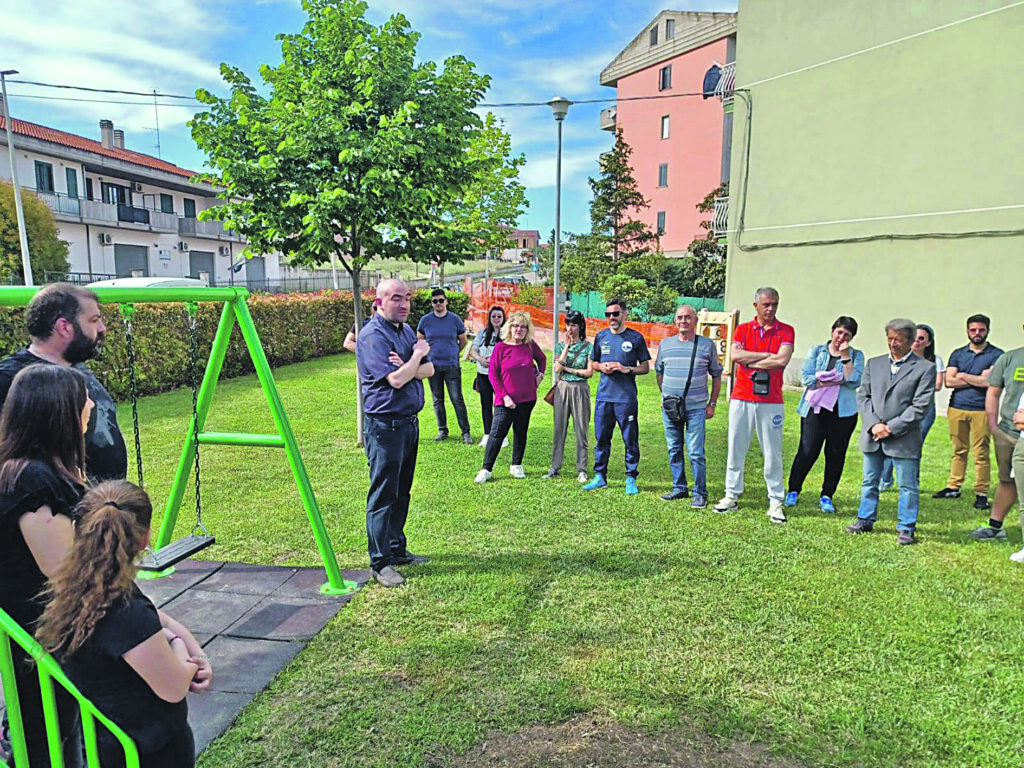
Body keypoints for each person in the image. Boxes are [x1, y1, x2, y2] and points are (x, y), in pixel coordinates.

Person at [36, 481, 212, 768]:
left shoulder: (81, 591)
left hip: (103, 743)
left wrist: (195, 652)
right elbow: (173, 686)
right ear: (145, 539)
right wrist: (181, 648)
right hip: (148, 750)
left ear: (76, 531)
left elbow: (158, 617)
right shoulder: (126, 613)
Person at [0, 365, 92, 768]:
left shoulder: (41, 471)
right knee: (48, 737)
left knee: (59, 730)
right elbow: (67, 578)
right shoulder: (33, 481)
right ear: (59, 413)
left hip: (46, 636)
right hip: (41, 639)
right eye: (83, 398)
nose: (90, 405)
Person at [0, 283, 127, 483]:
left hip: (100, 505)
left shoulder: (75, 366)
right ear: (64, 327)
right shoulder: (11, 379)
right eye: (94, 320)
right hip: (57, 508)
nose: (102, 328)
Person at [357, 279, 434, 588]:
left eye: (407, 299)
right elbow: (398, 381)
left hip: (408, 424)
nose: (403, 304)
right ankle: (380, 563)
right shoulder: (373, 336)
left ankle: (396, 549)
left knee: (402, 492)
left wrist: (409, 364)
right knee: (383, 495)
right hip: (385, 427)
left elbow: (429, 371)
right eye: (396, 298)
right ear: (379, 302)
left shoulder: (403, 331)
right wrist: (416, 356)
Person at [846, 318, 935, 545]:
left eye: (898, 339)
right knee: (869, 480)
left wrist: (892, 428)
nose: (893, 344)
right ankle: (865, 519)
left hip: (904, 437)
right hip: (873, 434)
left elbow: (920, 406)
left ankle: (906, 527)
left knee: (907, 485)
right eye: (890, 339)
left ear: (911, 341)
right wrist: (873, 423)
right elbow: (863, 396)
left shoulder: (925, 368)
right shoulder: (874, 364)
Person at [715, 287, 795, 522]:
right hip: (741, 397)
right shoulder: (743, 329)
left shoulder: (786, 330)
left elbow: (782, 360)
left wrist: (752, 358)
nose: (771, 309)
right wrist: (766, 355)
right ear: (756, 306)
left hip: (771, 401)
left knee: (773, 453)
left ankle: (775, 501)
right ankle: (731, 495)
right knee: (736, 448)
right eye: (766, 305)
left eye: (774, 304)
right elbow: (735, 357)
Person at [784, 316, 864, 515]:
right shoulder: (817, 351)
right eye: (839, 332)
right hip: (816, 409)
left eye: (847, 335)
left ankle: (827, 495)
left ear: (852, 337)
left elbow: (853, 380)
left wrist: (845, 359)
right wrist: (833, 380)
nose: (841, 338)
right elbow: (807, 379)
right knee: (807, 450)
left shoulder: (856, 356)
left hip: (843, 413)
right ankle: (793, 489)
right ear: (832, 331)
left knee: (836, 454)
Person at [654, 304, 723, 507]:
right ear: (675, 321)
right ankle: (679, 488)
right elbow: (659, 372)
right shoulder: (665, 345)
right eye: (679, 317)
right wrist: (666, 396)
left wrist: (712, 403)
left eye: (687, 317)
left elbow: (716, 375)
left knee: (695, 451)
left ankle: (700, 492)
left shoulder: (706, 345)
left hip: (696, 408)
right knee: (673, 448)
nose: (683, 321)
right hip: (670, 408)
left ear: (695, 320)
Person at [933, 314, 1003, 510]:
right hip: (956, 407)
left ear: (987, 330)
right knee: (958, 450)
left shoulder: (997, 354)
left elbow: (989, 381)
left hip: (982, 409)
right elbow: (949, 381)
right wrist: (975, 378)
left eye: (981, 330)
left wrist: (962, 375)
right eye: (973, 330)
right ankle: (953, 486)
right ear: (967, 331)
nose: (977, 333)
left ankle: (981, 493)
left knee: (981, 452)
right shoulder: (958, 353)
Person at [583, 298, 651, 495]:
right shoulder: (601, 337)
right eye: (608, 314)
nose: (611, 318)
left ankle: (631, 477)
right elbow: (593, 363)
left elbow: (645, 367)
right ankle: (600, 476)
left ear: (624, 314)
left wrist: (625, 368)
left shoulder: (635, 338)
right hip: (604, 397)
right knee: (602, 438)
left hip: (626, 399)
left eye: (615, 313)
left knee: (630, 439)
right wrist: (600, 366)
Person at [475, 311, 546, 483]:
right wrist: (504, 396)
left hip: (527, 398)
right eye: (515, 326)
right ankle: (486, 469)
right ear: (509, 328)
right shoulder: (501, 347)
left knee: (520, 432)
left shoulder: (529, 345)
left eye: (523, 327)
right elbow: (493, 375)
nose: (518, 329)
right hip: (505, 400)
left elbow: (542, 359)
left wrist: (540, 375)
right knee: (496, 433)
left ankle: (516, 465)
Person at [968, 336, 1024, 545]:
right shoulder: (1010, 358)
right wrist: (993, 425)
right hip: (1009, 432)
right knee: (1006, 479)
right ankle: (995, 526)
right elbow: (993, 392)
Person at [879, 324, 944, 491]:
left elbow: (937, 385)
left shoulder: (934, 361)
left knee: (914, 445)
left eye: (921, 338)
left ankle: (911, 482)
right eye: (914, 338)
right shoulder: (900, 359)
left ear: (928, 342)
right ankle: (885, 479)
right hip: (898, 407)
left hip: (924, 410)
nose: (917, 342)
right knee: (890, 439)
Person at [417, 288, 472, 444]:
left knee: (457, 399)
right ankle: (442, 430)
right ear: (432, 303)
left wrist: (453, 352)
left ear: (446, 301)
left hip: (451, 365)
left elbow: (463, 341)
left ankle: (465, 432)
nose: (438, 304)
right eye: (435, 301)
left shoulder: (455, 320)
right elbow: (420, 341)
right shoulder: (425, 321)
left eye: (441, 300)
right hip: (432, 366)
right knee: (437, 400)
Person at [545, 310, 594, 483]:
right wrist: (566, 346)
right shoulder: (560, 346)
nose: (570, 328)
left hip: (580, 389)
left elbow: (589, 372)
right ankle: (555, 467)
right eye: (568, 324)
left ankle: (582, 469)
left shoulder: (588, 347)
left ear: (581, 326)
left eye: (573, 324)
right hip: (562, 388)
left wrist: (570, 369)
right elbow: (557, 369)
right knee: (559, 429)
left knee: (581, 429)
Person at [468, 305, 507, 447]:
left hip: (500, 375)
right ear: (489, 318)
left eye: (499, 316)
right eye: (493, 316)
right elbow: (473, 350)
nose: (496, 319)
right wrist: (480, 359)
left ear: (503, 318)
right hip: (483, 374)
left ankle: (501, 435)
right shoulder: (482, 333)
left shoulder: (507, 334)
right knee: (486, 404)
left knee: (500, 405)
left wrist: (495, 361)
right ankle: (487, 433)